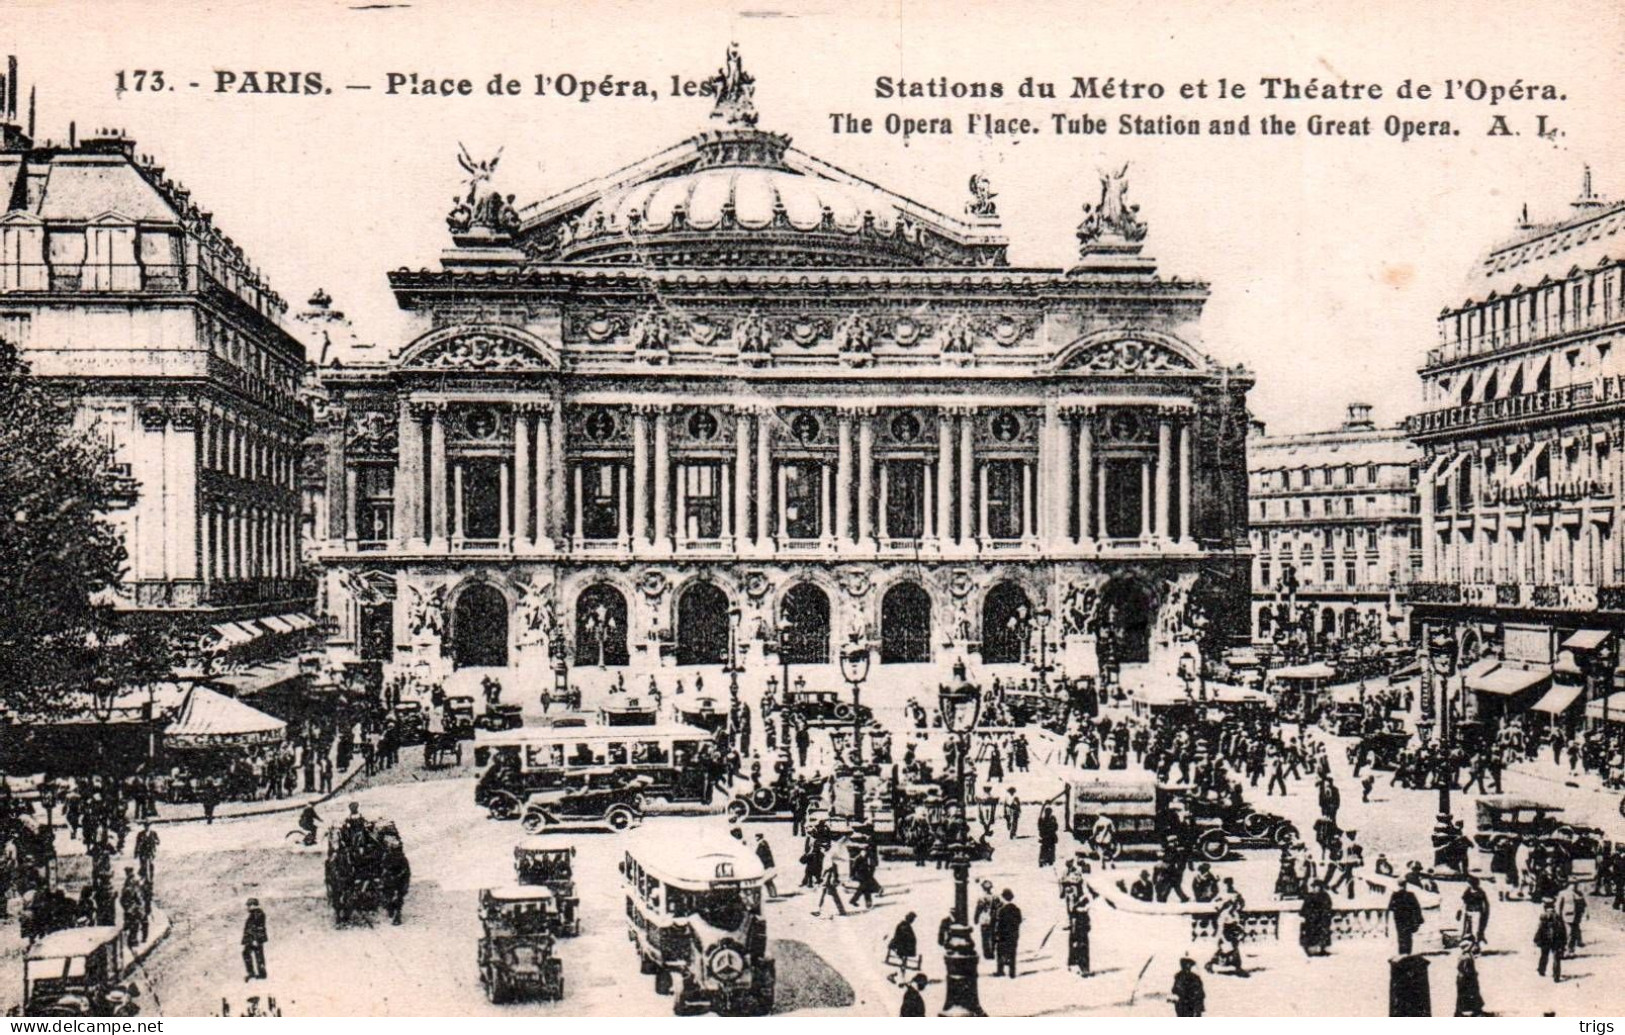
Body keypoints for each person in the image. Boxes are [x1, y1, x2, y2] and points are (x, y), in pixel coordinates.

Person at [1388, 877, 1424, 956]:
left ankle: (1402, 953)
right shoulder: (1410, 895)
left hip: (1399, 920)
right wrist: (1419, 919)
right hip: (1408, 919)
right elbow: (1417, 908)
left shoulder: (1395, 895)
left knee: (1401, 936)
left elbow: (1391, 907)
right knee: (1408, 936)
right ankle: (1408, 953)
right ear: (1405, 885)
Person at [1299, 879, 1333, 957]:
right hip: (1311, 920)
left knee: (1323, 931)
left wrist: (1323, 916)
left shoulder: (1325, 896)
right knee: (1309, 932)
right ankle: (1309, 950)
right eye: (1314, 887)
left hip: (1321, 919)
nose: (1315, 888)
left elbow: (1327, 908)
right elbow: (1304, 909)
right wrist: (1308, 915)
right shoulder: (1309, 896)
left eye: (1316, 887)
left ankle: (1322, 949)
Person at [993, 888, 1022, 978]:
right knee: (1012, 952)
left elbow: (999, 923)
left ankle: (1000, 970)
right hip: (1014, 934)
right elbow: (1019, 920)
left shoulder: (1002, 910)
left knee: (1000, 952)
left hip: (1003, 935)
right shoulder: (1016, 909)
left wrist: (997, 933)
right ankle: (1012, 972)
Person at [1534, 899, 1566, 982]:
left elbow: (1540, 929)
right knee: (1556, 957)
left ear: (1545, 907)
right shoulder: (1558, 916)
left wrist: (1536, 938)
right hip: (1556, 939)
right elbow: (1563, 929)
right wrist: (1564, 941)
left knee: (1544, 954)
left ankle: (1542, 970)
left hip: (1545, 939)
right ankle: (1556, 976)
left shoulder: (1543, 916)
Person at [1454, 939, 1486, 1016]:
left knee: (1467, 994)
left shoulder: (1465, 955)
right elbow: (1467, 970)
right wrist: (1473, 975)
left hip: (1463, 978)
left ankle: (1467, 1010)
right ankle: (1473, 1010)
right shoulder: (1466, 957)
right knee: (1470, 994)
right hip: (1467, 979)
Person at [119, 868, 148, 948]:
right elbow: (134, 896)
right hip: (134, 908)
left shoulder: (130, 883)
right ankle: (134, 940)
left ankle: (138, 939)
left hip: (133, 907)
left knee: (134, 924)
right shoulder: (130, 885)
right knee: (136, 924)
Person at [1067, 888, 1093, 976]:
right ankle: (1076, 965)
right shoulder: (1071, 897)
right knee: (1076, 945)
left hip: (1080, 926)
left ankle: (1082, 967)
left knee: (1081, 946)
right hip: (1077, 926)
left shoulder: (1082, 899)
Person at [242, 898, 269, 981]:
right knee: (253, 955)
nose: (247, 907)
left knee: (256, 955)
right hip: (253, 939)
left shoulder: (257, 914)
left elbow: (257, 928)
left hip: (255, 939)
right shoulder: (255, 913)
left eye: (249, 905)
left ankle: (257, 974)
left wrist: (254, 939)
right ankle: (256, 973)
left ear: (253, 905)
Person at [974, 880, 1001, 960]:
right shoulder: (995, 897)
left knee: (985, 936)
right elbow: (998, 907)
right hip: (993, 918)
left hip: (984, 918)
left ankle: (987, 953)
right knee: (993, 935)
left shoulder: (981, 898)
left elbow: (978, 909)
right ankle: (992, 951)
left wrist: (976, 918)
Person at [1459, 875, 1490, 945]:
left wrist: (1484, 913)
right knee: (1467, 928)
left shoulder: (1481, 892)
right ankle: (1467, 943)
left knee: (1476, 929)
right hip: (1468, 912)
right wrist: (1460, 910)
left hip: (1477, 912)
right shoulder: (1468, 891)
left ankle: (1476, 944)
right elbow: (1464, 901)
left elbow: (1485, 904)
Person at [887, 912, 919, 980]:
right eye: (912, 919)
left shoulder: (905, 925)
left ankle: (900, 974)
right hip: (902, 946)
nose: (913, 921)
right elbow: (904, 936)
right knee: (903, 959)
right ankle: (898, 975)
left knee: (903, 960)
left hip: (903, 946)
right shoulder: (904, 926)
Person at [753, 834, 780, 899]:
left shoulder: (762, 844)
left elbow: (761, 855)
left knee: (767, 880)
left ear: (759, 837)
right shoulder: (763, 843)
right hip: (767, 865)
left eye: (756, 837)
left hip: (766, 865)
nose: (755, 838)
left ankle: (773, 894)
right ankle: (773, 894)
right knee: (768, 880)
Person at [134, 822, 160, 889]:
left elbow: (158, 842)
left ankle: (150, 878)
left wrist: (155, 841)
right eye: (146, 826)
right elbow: (137, 844)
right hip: (143, 852)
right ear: (144, 826)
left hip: (151, 852)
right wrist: (136, 853)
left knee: (151, 865)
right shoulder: (140, 834)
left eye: (148, 826)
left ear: (150, 826)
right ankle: (144, 878)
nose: (147, 827)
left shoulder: (153, 833)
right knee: (143, 865)